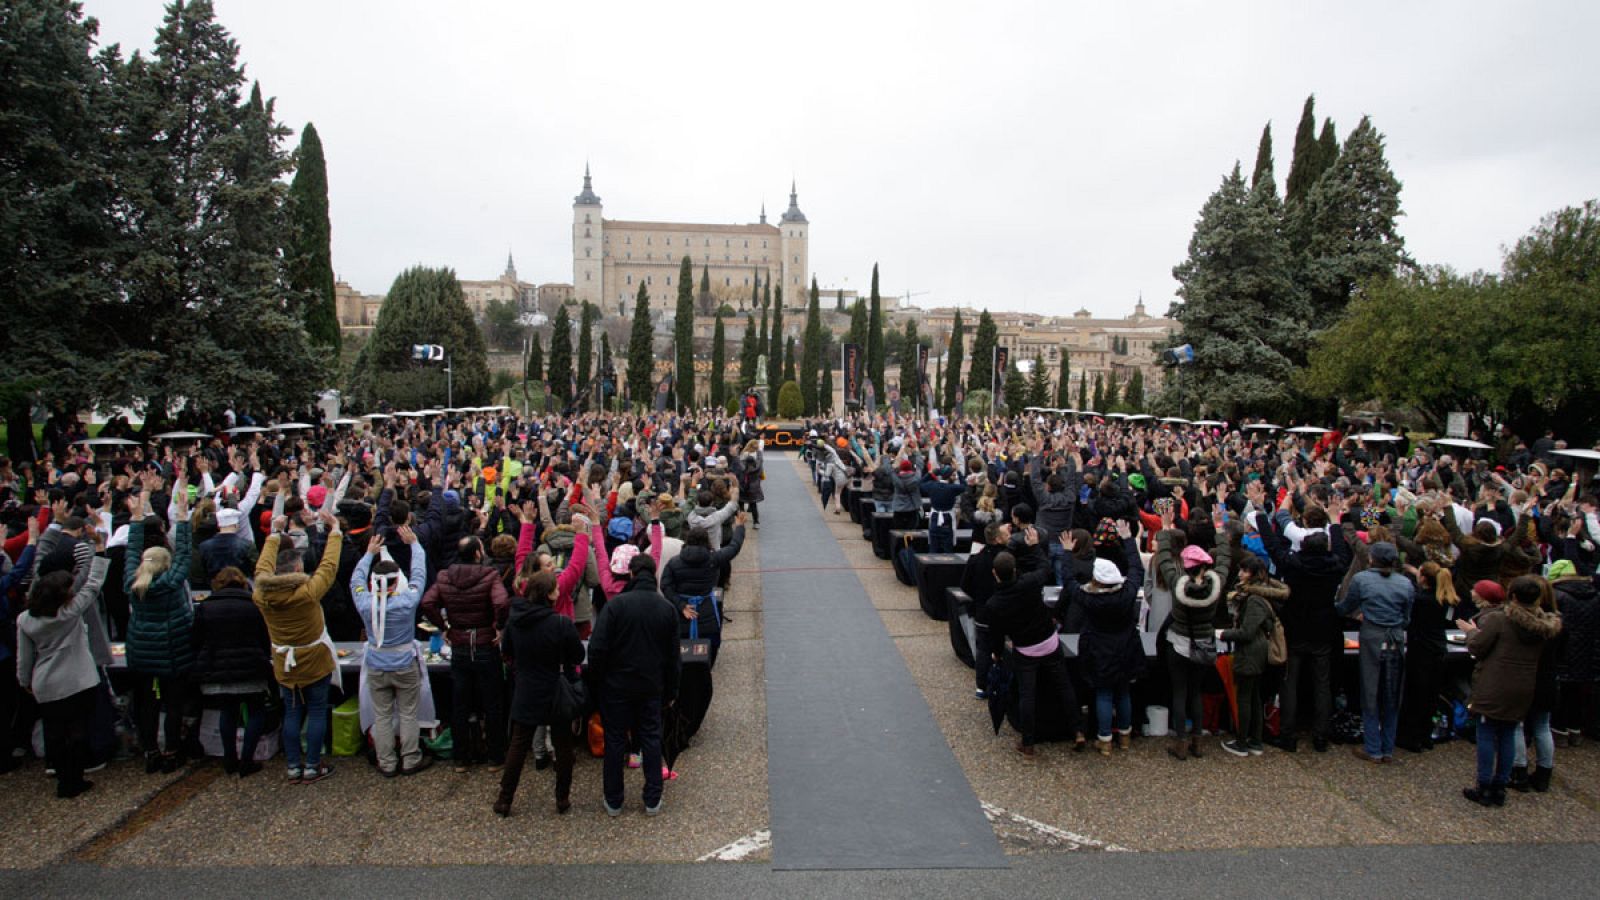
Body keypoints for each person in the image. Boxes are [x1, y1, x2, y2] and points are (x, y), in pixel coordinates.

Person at [586, 553, 681, 816]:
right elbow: (674, 657)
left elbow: (597, 648)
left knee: (615, 740)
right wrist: (671, 690)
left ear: (631, 575)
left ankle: (614, 799)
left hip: (615, 685)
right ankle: (652, 798)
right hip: (651, 686)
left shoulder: (616, 606)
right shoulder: (666, 609)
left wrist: (598, 681)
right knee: (651, 738)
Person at [16, 531, 109, 798]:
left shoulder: (26, 620)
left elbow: (25, 657)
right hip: (78, 679)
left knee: (54, 732)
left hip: (47, 682)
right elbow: (93, 584)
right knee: (78, 730)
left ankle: (61, 776)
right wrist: (100, 552)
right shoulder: (69, 613)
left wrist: (24, 681)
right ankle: (76, 776)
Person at [255, 507, 345, 784]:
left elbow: (262, 568)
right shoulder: (307, 593)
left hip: (284, 660)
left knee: (292, 711)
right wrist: (336, 533)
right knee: (316, 711)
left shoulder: (261, 595)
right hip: (314, 658)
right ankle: (312, 764)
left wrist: (274, 535)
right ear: (297, 569)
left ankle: (294, 765)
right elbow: (328, 567)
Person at [1459, 575, 1562, 806]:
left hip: (1495, 684)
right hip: (1524, 685)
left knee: (1486, 734)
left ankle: (1484, 785)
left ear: (1513, 596)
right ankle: (1500, 786)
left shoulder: (1500, 620)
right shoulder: (1546, 626)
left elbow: (1477, 646)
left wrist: (1470, 631)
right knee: (1509, 733)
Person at [984, 525, 1084, 756]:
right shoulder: (1029, 584)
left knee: (1028, 695)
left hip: (1026, 650)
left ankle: (1028, 742)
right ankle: (1078, 729)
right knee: (1064, 686)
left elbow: (996, 634)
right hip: (1048, 641)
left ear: (995, 574)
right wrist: (1035, 547)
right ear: (1015, 570)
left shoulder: (994, 604)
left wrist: (997, 653)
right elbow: (1045, 568)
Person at [496, 570, 585, 817]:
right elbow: (577, 654)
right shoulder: (560, 623)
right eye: (556, 589)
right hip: (554, 687)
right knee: (563, 744)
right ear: (548, 595)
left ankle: (505, 798)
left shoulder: (516, 621)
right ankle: (562, 798)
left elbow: (507, 651)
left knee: (518, 743)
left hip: (526, 686)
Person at [421, 535, 512, 773]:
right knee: (492, 702)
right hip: (484, 642)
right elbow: (502, 603)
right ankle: (495, 756)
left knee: (460, 702)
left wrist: (444, 627)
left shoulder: (444, 577)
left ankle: (461, 758)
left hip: (460, 643)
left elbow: (428, 603)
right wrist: (498, 626)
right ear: (477, 554)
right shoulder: (489, 575)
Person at [125, 486, 195, 774]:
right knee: (173, 702)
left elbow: (131, 551)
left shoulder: (132, 584)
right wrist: (183, 518)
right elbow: (185, 555)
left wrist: (137, 518)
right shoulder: (170, 583)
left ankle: (151, 750)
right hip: (171, 650)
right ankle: (172, 750)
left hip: (141, 652)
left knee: (146, 704)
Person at [351, 526, 431, 778]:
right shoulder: (406, 601)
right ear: (398, 582)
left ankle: (386, 761)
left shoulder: (365, 602)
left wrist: (368, 554)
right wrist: (414, 545)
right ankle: (410, 757)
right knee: (408, 713)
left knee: (382, 715)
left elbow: (355, 580)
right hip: (404, 662)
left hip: (376, 663)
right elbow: (419, 575)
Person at [1154, 522, 1233, 761]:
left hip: (1178, 642)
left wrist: (1166, 528)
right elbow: (1225, 561)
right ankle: (1198, 741)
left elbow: (1165, 560)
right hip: (1204, 641)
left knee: (1180, 691)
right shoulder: (1215, 585)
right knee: (1196, 692)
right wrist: (1220, 533)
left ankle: (1180, 742)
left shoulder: (1178, 584)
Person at [1063, 524, 1144, 755]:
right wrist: (1128, 540)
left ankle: (1105, 738)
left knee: (1104, 692)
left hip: (1100, 649)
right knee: (1123, 691)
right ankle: (1125, 736)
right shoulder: (1127, 594)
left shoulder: (1089, 598)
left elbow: (1069, 581)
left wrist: (1067, 552)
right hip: (1126, 646)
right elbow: (1136, 568)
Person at [1335, 542, 1415, 764]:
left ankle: (1374, 748)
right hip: (1396, 637)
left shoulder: (1363, 579)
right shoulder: (1406, 583)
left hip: (1373, 634)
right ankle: (1387, 747)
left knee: (1371, 691)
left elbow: (1346, 605)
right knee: (1392, 693)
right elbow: (1407, 616)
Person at [189, 567, 272, 777]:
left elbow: (196, 639)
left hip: (219, 667)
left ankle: (229, 758)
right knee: (255, 711)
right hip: (251, 665)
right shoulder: (253, 604)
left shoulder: (206, 606)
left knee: (228, 712)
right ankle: (247, 759)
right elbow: (265, 637)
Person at [1218, 555, 1288, 757]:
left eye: (1244, 571)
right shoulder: (1258, 596)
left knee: (1245, 698)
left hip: (1251, 652)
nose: (1240, 574)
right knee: (1255, 696)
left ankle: (1242, 742)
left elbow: (1247, 632)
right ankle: (1255, 740)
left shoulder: (1255, 600)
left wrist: (1223, 634)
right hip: (1257, 650)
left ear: (1253, 575)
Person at [661, 514, 747, 668]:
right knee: (710, 644)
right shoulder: (714, 559)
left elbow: (665, 586)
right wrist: (739, 527)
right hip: (706, 610)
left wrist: (681, 605)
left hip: (682, 614)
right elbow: (734, 547)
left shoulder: (674, 562)